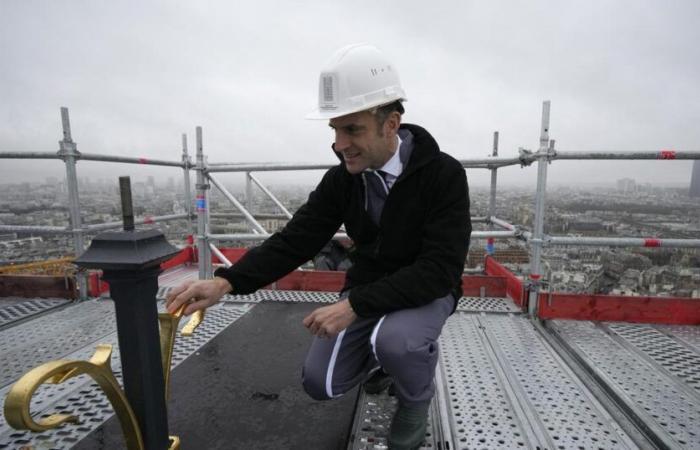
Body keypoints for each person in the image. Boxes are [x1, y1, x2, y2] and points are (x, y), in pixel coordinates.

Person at [167, 43, 471, 450]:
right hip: (369, 289)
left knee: (398, 341)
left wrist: (355, 306)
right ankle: (388, 361)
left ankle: (415, 397)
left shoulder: (443, 175)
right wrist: (227, 282)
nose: (339, 143)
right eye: (335, 130)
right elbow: (298, 238)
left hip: (426, 292)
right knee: (321, 384)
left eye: (353, 130)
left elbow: (440, 271)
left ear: (391, 124)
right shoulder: (344, 179)